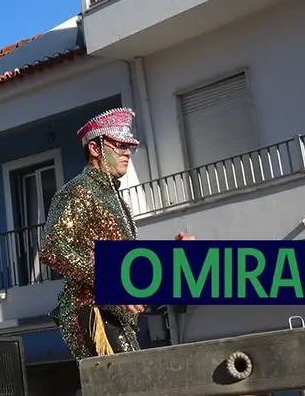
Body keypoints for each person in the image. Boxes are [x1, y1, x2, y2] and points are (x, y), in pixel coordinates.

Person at [38, 108, 194, 360]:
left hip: (116, 315)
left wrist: (169, 256)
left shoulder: (115, 200)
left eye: (129, 147)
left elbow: (126, 263)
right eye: (120, 145)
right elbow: (53, 248)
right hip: (93, 310)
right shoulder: (78, 191)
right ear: (95, 148)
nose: (128, 153)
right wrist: (112, 281)